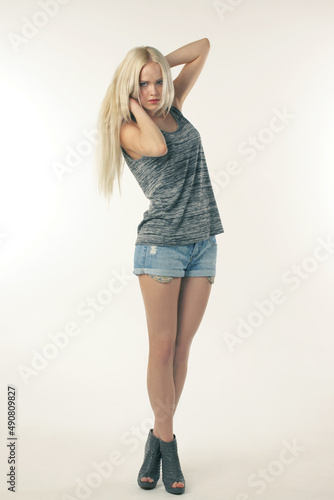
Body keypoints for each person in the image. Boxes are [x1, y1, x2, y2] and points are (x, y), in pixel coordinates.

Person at [95, 37, 224, 495]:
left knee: (184, 349)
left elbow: (203, 46)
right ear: (132, 90)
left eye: (157, 83)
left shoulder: (174, 105)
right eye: (143, 85)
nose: (153, 91)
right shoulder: (130, 128)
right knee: (163, 349)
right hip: (160, 248)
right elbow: (157, 147)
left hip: (202, 243)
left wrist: (161, 68)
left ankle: (156, 438)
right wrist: (132, 95)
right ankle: (168, 445)